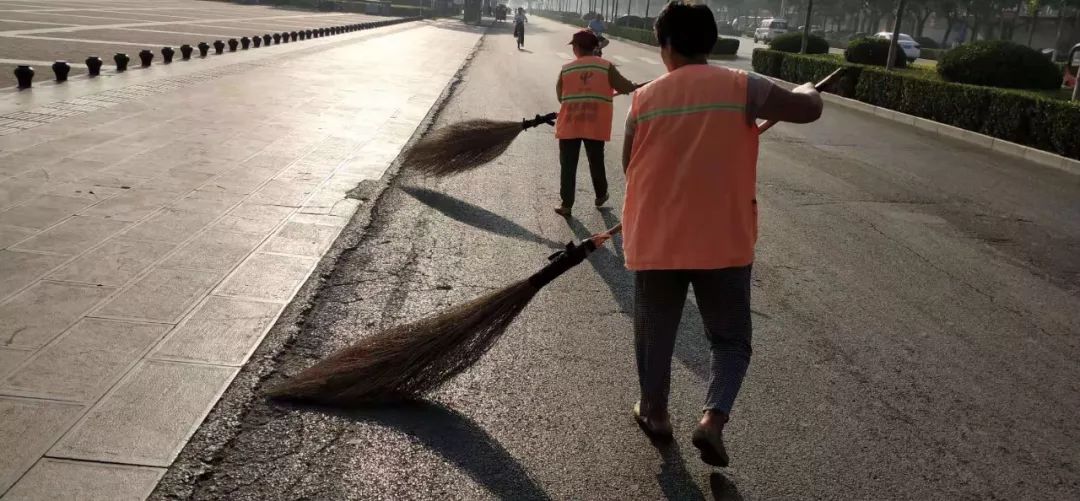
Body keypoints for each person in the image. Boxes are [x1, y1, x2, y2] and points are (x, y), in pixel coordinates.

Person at [598, 1, 822, 467]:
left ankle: (655, 413)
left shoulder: (644, 99)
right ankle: (712, 420)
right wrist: (805, 88)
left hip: (658, 238)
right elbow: (807, 109)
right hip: (723, 240)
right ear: (710, 41)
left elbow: (629, 167)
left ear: (667, 45)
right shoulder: (744, 88)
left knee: (655, 333)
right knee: (731, 340)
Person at [553, 30, 641, 216]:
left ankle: (566, 205)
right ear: (594, 48)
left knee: (568, 164)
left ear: (576, 48)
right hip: (595, 124)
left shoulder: (567, 68)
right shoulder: (605, 67)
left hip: (570, 123)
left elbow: (560, 96)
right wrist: (633, 86)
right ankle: (601, 195)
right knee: (596, 160)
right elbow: (624, 87)